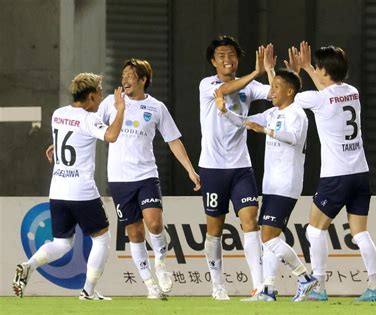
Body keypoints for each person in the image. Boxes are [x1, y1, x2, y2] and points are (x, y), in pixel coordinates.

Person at [12, 73, 125, 300]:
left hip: (58, 190)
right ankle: (88, 292)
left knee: (62, 243)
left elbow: (66, 136)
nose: (102, 97)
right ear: (91, 96)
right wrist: (120, 108)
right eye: (100, 94)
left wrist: (54, 146)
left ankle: (29, 265)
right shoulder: (88, 119)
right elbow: (111, 136)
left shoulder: (58, 114)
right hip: (81, 191)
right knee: (102, 238)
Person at [97, 58, 200, 299]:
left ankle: (161, 263)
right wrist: (57, 144)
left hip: (146, 175)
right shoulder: (110, 104)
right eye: (123, 75)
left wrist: (190, 170)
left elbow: (173, 140)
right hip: (120, 179)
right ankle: (150, 285)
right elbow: (89, 126)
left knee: (154, 223)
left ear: (143, 80)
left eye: (131, 75)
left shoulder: (156, 107)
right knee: (134, 233)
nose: (125, 80)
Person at [216, 66, 318, 302]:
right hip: (271, 183)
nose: (271, 91)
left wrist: (266, 131)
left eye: (276, 87)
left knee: (268, 238)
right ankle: (268, 289)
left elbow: (293, 137)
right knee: (271, 238)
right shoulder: (272, 114)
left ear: (290, 91)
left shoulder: (297, 113)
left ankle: (304, 278)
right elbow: (245, 121)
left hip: (287, 182)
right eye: (271, 87)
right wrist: (224, 112)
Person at [292, 41, 376, 302]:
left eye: (317, 68)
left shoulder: (317, 99)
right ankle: (374, 286)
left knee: (314, 230)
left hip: (336, 176)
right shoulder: (352, 92)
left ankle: (318, 286)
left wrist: (298, 71)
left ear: (323, 70)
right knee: (360, 233)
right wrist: (310, 66)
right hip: (360, 173)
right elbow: (328, 92)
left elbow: (290, 94)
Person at [198, 36, 275, 300]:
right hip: (212, 168)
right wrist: (256, 72)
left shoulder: (250, 87)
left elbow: (276, 94)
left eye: (231, 54)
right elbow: (223, 92)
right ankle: (217, 285)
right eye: (221, 55)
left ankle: (259, 286)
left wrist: (270, 70)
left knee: (250, 222)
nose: (227, 59)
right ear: (213, 61)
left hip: (241, 166)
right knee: (215, 229)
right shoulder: (207, 84)